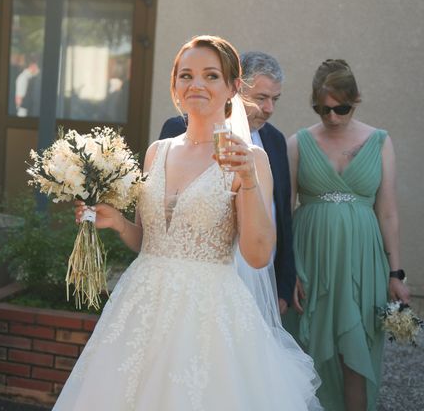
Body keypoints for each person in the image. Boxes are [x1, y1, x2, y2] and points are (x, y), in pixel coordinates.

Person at [54, 35, 321, 410]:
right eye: (186, 75)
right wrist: (116, 223)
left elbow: (258, 256)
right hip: (142, 306)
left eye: (211, 76)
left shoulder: (251, 159)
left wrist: (247, 181)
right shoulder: (156, 152)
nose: (196, 84)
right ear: (175, 86)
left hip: (208, 316)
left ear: (232, 88)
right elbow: (148, 241)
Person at [283, 59, 410, 411]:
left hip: (362, 259)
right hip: (312, 258)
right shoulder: (298, 143)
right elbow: (286, 212)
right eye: (322, 109)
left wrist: (395, 272)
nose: (332, 117)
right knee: (309, 353)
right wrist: (289, 271)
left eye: (341, 108)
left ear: (355, 100)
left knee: (357, 350)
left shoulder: (380, 142)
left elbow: (387, 211)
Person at [159, 51, 295, 315]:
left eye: (274, 99)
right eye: (261, 98)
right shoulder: (176, 131)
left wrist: (284, 284)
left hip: (261, 278)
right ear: (236, 89)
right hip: (198, 282)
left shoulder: (275, 140)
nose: (269, 109)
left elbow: (282, 215)